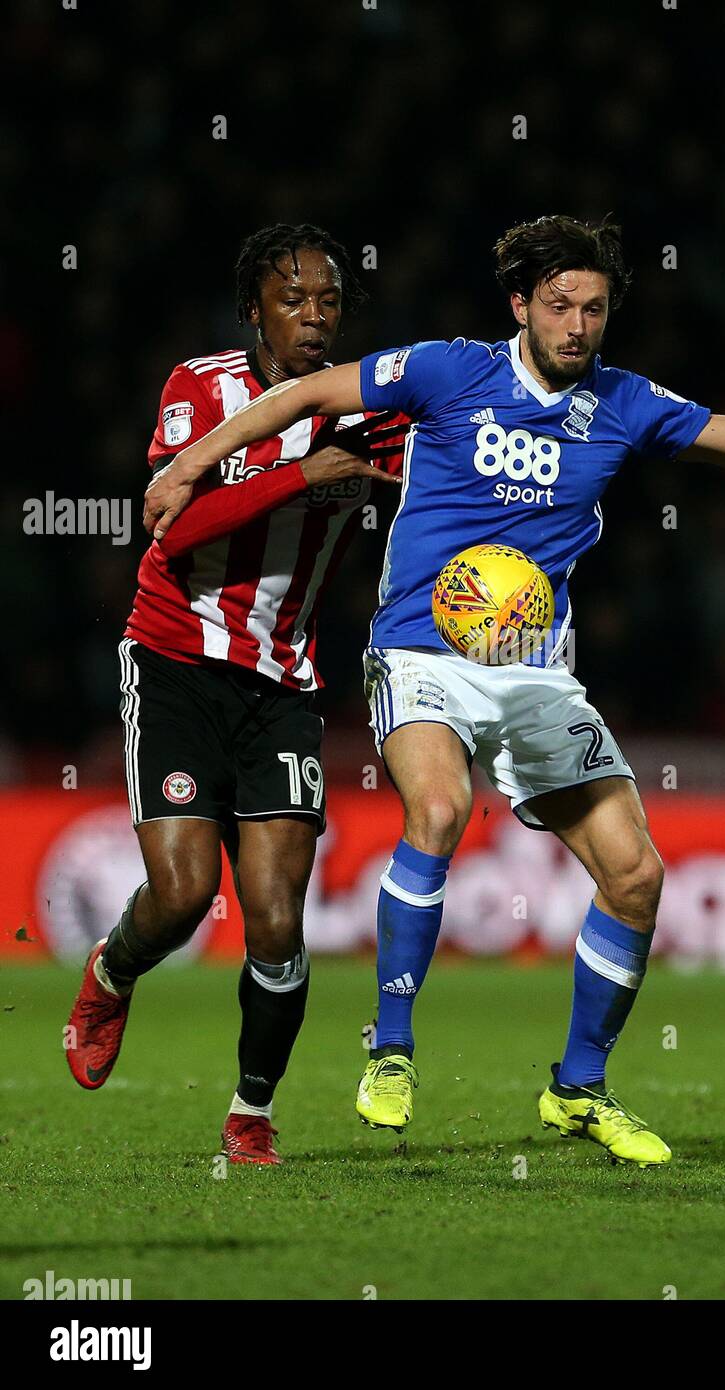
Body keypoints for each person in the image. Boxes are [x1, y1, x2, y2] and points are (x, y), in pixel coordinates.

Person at [143, 214, 725, 1167]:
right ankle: (390, 1049)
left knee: (636, 876)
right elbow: (305, 392)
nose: (578, 325)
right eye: (559, 305)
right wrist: (189, 464)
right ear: (521, 306)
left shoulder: (628, 403)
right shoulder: (447, 371)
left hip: (536, 672)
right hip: (422, 651)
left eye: (594, 309)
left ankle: (579, 1088)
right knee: (437, 807)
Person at [66, 223, 404, 1165]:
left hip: (283, 683)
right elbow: (174, 527)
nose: (312, 316)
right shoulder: (201, 387)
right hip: (175, 661)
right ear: (252, 311)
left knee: (278, 919)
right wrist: (302, 474)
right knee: (181, 897)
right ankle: (111, 969)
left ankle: (251, 1111)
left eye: (328, 301)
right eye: (292, 300)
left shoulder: (369, 411)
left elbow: (443, 474)